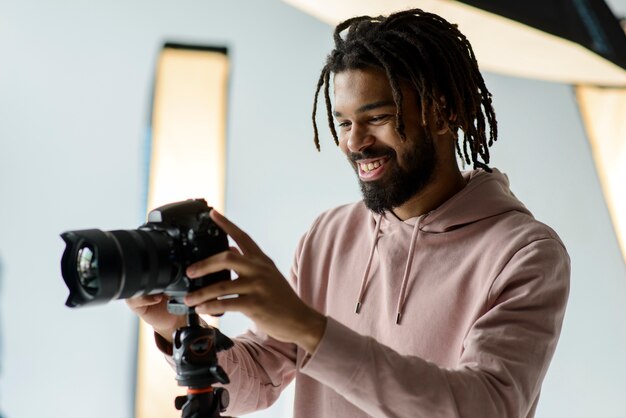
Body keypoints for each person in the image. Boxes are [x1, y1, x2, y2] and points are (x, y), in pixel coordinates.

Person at [128, 8, 570, 418]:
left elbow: (486, 406)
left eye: (376, 117)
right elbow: (258, 377)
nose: (354, 143)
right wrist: (171, 325)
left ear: (443, 112)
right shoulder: (330, 235)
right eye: (343, 122)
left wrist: (312, 330)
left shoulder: (525, 254)